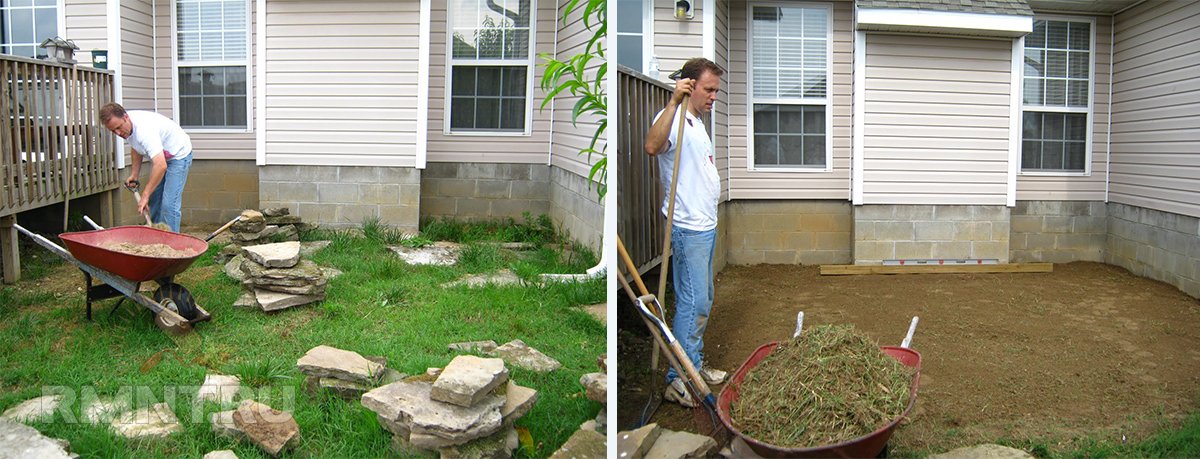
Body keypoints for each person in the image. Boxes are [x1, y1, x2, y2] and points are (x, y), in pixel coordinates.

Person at [642, 57, 726, 407]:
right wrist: (673, 102)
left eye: (716, 91)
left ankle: (694, 364)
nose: (713, 97)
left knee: (702, 298)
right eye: (708, 90)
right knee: (693, 302)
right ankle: (678, 379)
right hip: (688, 227)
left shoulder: (696, 122)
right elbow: (651, 146)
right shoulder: (675, 119)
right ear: (690, 86)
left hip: (706, 225)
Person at [99, 102, 194, 232]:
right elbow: (137, 147)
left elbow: (160, 166)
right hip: (163, 158)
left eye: (118, 127)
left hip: (179, 155)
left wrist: (145, 195)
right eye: (113, 130)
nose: (118, 133)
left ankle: (172, 245)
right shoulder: (126, 128)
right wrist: (134, 174)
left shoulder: (144, 130)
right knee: (155, 201)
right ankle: (157, 234)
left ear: (125, 117)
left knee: (168, 205)